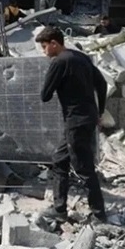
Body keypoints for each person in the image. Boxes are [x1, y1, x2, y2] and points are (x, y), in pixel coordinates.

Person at [35, 26, 108, 223]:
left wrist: (54, 77)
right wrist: (100, 112)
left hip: (75, 121)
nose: (44, 52)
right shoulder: (81, 57)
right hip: (86, 118)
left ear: (54, 43)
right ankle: (59, 209)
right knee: (60, 160)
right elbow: (102, 84)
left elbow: (45, 95)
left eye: (44, 47)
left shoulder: (60, 61)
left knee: (83, 167)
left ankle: (99, 214)